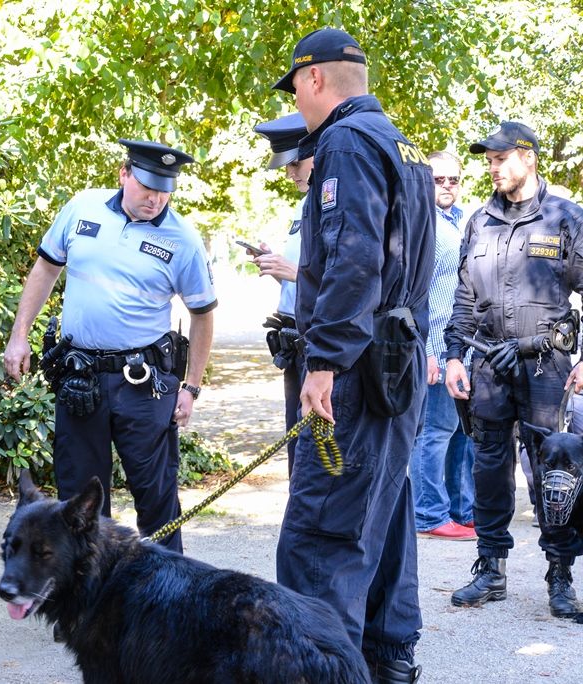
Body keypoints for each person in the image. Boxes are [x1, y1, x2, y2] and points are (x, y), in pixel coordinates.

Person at [271, 28, 435, 683]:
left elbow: (356, 259)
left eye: (297, 91)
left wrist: (323, 363)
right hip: (396, 368)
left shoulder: (344, 141)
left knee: (321, 539)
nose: (300, 109)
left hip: (361, 376)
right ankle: (388, 661)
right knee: (386, 522)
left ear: (314, 80)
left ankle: (322, 673)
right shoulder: (405, 147)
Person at [3, 139, 217, 554]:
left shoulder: (183, 240)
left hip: (143, 385)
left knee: (156, 499)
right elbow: (46, 268)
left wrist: (190, 387)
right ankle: (85, 598)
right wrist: (18, 335)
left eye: (164, 189)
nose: (155, 198)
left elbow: (203, 314)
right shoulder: (83, 207)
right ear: (123, 174)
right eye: (146, 186)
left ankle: (164, 600)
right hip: (79, 380)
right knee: (79, 500)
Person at [443, 121, 583, 618]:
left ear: (529, 157)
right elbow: (464, 297)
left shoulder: (565, 217)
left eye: (501, 158)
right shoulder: (479, 221)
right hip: (487, 364)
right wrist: (455, 355)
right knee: (488, 468)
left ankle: (560, 574)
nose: (493, 167)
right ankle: (491, 567)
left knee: (554, 470)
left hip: (546, 363)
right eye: (489, 160)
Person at [407, 151, 477, 540]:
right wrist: (429, 351)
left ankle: (462, 508)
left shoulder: (464, 220)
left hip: (465, 348)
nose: (447, 186)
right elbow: (419, 296)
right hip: (435, 345)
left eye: (453, 179)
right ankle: (429, 514)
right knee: (434, 431)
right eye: (438, 180)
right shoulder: (422, 224)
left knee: (463, 433)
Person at [248, 112, 312, 470]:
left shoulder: (336, 201)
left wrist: (295, 273)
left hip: (321, 339)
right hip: (294, 338)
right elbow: (302, 279)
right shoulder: (306, 204)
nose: (290, 173)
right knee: (297, 443)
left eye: (295, 163)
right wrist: (276, 266)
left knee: (315, 448)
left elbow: (352, 281)